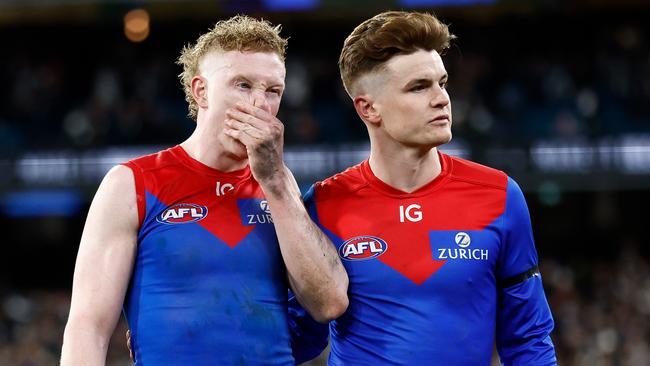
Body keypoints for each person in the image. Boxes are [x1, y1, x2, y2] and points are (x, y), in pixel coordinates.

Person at [61, 15, 348, 365]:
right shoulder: (133, 183)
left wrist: (275, 182)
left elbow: (328, 305)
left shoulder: (283, 188)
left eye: (273, 90)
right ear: (201, 91)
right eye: (243, 85)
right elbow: (88, 325)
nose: (260, 103)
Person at [302, 11, 558, 365]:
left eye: (442, 82)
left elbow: (529, 339)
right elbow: (300, 337)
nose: (441, 98)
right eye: (419, 87)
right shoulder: (323, 205)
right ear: (368, 108)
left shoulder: (500, 196)